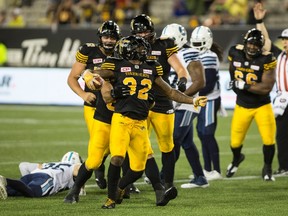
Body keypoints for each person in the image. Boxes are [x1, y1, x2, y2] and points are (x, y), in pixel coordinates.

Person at [89, 35, 207, 209]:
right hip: (121, 119)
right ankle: (110, 199)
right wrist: (89, 77)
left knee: (137, 169)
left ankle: (120, 187)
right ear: (129, 50)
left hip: (141, 122)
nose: (144, 52)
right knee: (117, 158)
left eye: (144, 49)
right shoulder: (116, 65)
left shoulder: (151, 68)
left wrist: (192, 101)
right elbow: (92, 72)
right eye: (140, 49)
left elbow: (171, 92)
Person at [130, 14, 190, 195]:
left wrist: (182, 80)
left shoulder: (164, 44)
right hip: (139, 101)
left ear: (152, 31)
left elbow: (180, 68)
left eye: (146, 31)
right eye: (139, 33)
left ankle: (168, 183)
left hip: (162, 100)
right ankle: (144, 183)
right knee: (138, 145)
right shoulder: (129, 46)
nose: (143, 35)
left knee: (167, 145)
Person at [64, 20, 122, 204]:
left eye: (113, 37)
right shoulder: (89, 51)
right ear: (100, 37)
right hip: (95, 107)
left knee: (120, 149)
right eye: (106, 36)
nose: (109, 40)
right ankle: (82, 183)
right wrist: (83, 94)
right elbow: (72, 78)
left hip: (119, 109)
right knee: (98, 149)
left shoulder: (124, 53)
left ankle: (123, 185)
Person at [159, 23, 209, 188]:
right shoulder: (173, 53)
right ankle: (200, 177)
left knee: (174, 139)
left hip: (187, 104)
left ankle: (163, 177)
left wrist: (180, 98)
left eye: (170, 40)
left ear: (179, 39)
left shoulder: (189, 53)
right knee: (187, 142)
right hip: (179, 102)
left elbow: (200, 82)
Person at [226, 28, 277, 181]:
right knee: (235, 143)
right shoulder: (235, 52)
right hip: (242, 105)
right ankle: (236, 160)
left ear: (261, 46)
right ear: (245, 43)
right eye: (251, 43)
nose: (253, 47)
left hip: (262, 106)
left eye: (256, 44)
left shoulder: (266, 59)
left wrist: (244, 86)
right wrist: (236, 84)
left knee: (269, 140)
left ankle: (267, 168)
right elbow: (231, 70)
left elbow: (266, 87)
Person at [253, 2, 288, 175]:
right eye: (284, 40)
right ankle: (284, 167)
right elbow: (265, 43)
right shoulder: (280, 55)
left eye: (287, 40)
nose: (285, 43)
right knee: (281, 136)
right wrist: (260, 21)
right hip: (282, 99)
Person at [189, 25, 223, 180]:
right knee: (202, 134)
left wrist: (190, 95)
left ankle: (216, 170)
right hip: (201, 99)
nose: (197, 48)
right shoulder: (194, 55)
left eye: (199, 44)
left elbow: (208, 84)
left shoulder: (209, 56)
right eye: (194, 44)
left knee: (207, 133)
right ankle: (207, 169)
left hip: (209, 99)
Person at [0, 151, 82, 200]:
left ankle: (6, 183)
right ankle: (5, 180)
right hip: (47, 178)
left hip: (34, 174)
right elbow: (80, 172)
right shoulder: (74, 166)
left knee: (11, 192)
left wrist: (26, 186)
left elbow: (24, 166)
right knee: (33, 193)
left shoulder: (53, 164)